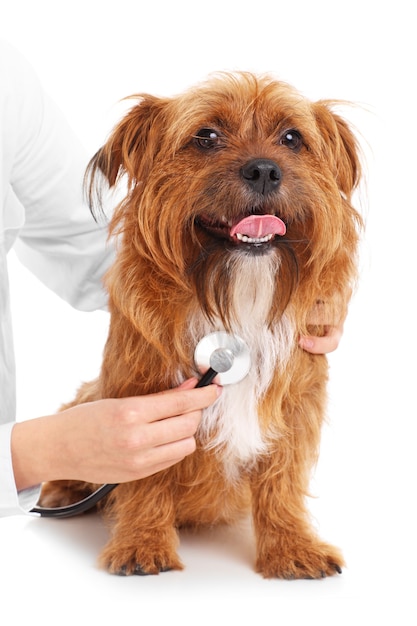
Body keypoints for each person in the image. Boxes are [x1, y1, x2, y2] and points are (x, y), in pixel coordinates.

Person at [0, 41, 343, 518]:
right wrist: (32, 453)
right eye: (206, 138)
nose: (263, 165)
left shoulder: (7, 78)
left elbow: (93, 247)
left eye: (290, 140)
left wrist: (307, 285)